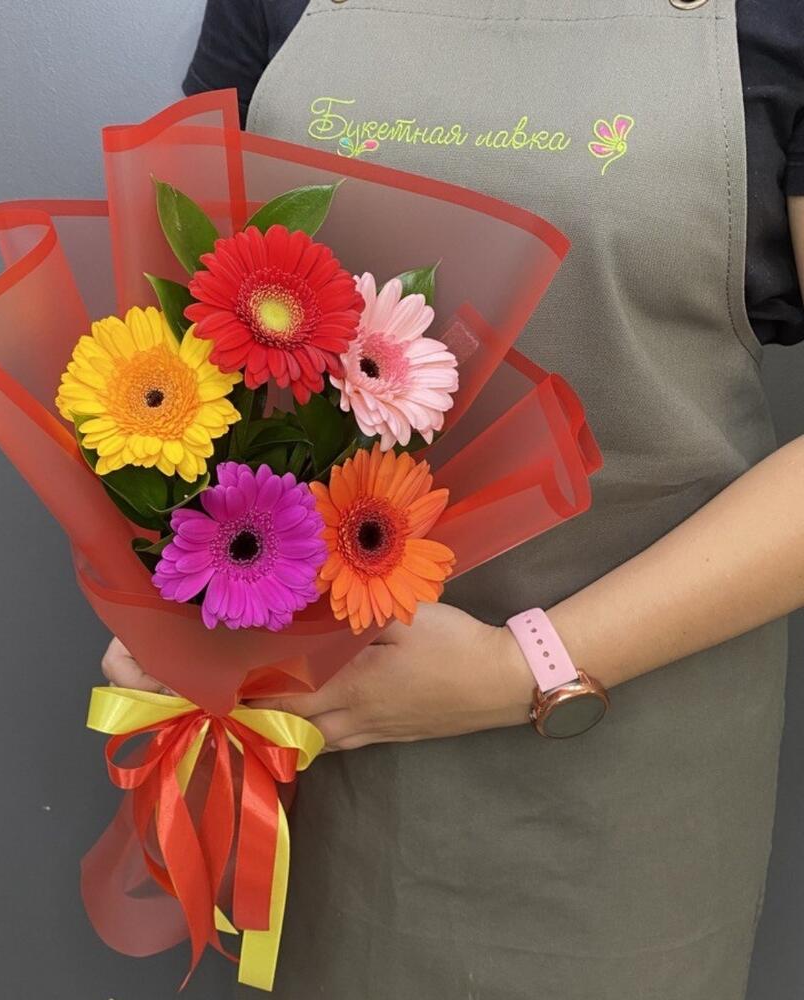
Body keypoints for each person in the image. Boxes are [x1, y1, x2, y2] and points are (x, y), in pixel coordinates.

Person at [102, 1, 804, 996]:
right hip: (316, 734)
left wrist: (526, 666)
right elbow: (198, 329)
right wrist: (174, 586)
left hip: (618, 756)